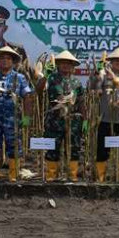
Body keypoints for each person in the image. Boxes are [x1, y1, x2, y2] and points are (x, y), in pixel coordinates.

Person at [89, 47, 119, 183]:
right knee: (103, 150)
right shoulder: (103, 74)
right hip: (106, 118)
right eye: (117, 59)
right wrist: (96, 73)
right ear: (111, 61)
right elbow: (92, 88)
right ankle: (101, 179)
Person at [0, 46, 33, 182]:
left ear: (13, 62)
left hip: (12, 118)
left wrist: (26, 116)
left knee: (14, 145)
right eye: (2, 58)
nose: (5, 61)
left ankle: (13, 175)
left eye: (8, 58)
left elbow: (27, 96)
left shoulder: (19, 78)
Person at [41, 50, 85, 182]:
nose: (66, 65)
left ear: (73, 66)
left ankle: (72, 176)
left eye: (69, 63)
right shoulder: (50, 78)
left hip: (74, 121)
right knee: (52, 148)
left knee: (74, 149)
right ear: (58, 65)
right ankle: (51, 176)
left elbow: (82, 101)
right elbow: (38, 90)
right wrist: (44, 75)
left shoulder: (77, 82)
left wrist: (85, 120)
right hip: (54, 120)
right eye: (62, 63)